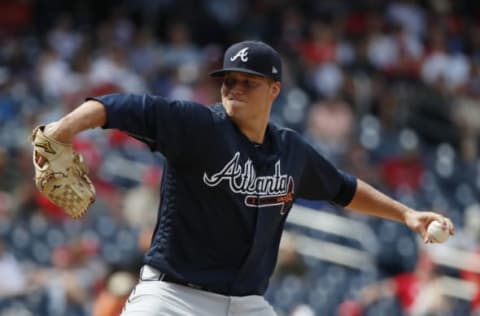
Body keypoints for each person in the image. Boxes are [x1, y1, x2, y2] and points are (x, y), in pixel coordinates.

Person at [34, 40, 455, 316]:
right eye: (228, 81)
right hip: (172, 298)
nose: (234, 87)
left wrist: (407, 215)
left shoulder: (290, 151)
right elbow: (116, 106)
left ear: (274, 89)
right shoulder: (197, 126)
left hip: (248, 304)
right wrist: (62, 130)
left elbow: (343, 189)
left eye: (247, 82)